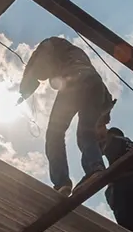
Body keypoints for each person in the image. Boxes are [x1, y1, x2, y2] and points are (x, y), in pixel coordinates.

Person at [18, 37, 116, 196]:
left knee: (54, 134)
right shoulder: (76, 53)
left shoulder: (49, 44)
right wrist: (105, 114)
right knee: (86, 133)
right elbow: (103, 101)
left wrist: (25, 90)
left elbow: (35, 66)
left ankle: (61, 182)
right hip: (96, 84)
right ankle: (95, 169)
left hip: (75, 80)